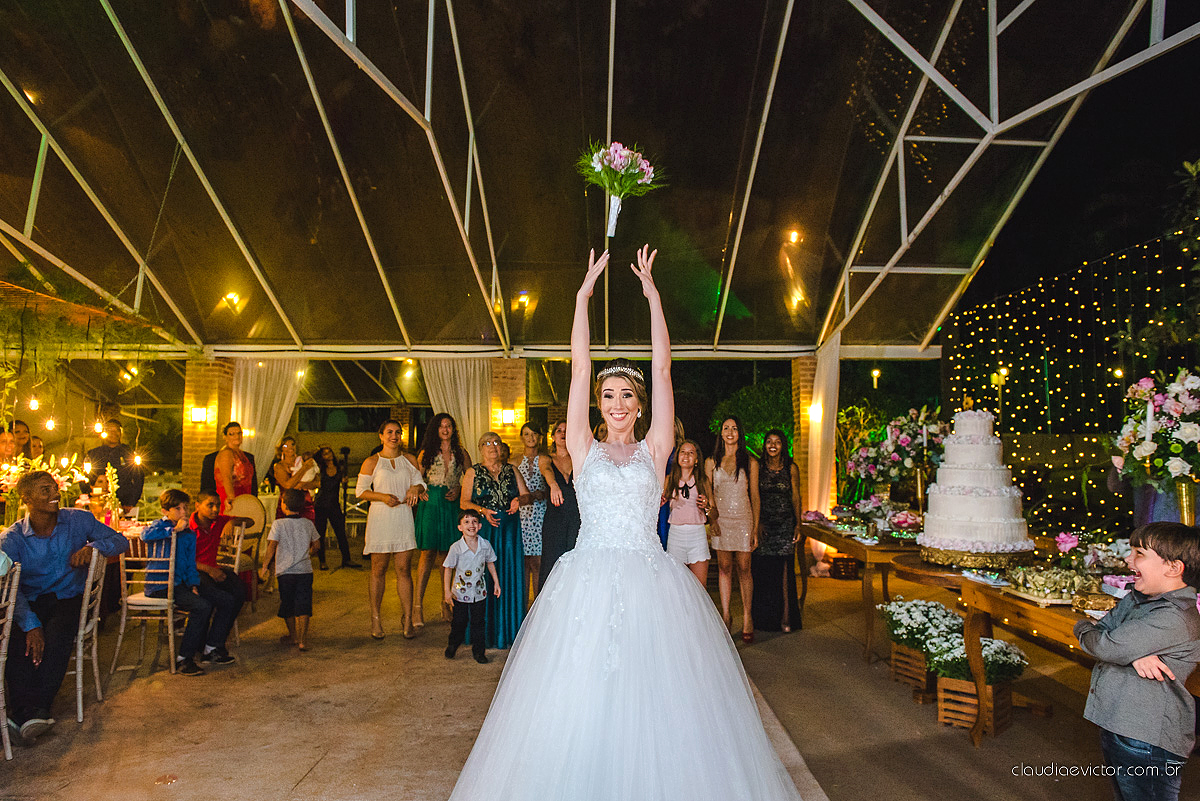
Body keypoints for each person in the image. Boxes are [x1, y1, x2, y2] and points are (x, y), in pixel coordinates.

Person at [446, 246, 802, 801]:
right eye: (608, 396)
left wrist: (655, 298)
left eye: (626, 396)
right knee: (579, 698)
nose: (616, 402)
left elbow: (663, 367)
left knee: (656, 703)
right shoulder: (582, 447)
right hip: (584, 580)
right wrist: (584, 298)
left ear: (639, 406)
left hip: (649, 582)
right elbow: (579, 361)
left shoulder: (655, 449)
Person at [1074, 522, 1200, 801]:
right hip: (1121, 725)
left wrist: (1083, 625)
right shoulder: (1138, 598)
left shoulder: (1174, 618)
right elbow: (1109, 635)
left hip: (1147, 739)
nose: (1128, 560)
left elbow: (1105, 644)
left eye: (1139, 554)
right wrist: (1133, 653)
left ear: (1173, 567)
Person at [1, 471, 129, 744]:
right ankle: (27, 713)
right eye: (45, 490)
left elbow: (121, 540)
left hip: (69, 598)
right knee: (16, 638)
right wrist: (31, 624)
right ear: (26, 499)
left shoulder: (77, 520)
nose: (54, 494)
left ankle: (33, 711)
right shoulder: (12, 538)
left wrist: (94, 546)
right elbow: (11, 588)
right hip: (30, 601)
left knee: (58, 635)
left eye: (55, 488)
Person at [142, 489, 239, 675]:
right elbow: (145, 535)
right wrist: (173, 530)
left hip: (179, 585)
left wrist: (193, 585)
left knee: (214, 602)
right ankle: (183, 659)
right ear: (165, 511)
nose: (183, 512)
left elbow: (188, 564)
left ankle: (208, 649)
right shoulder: (159, 527)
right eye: (177, 509)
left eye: (185, 508)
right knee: (202, 607)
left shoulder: (187, 534)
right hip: (159, 585)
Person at [356, 419, 425, 639]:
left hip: (403, 516)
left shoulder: (409, 460)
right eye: (389, 432)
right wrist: (383, 497)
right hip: (381, 517)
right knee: (378, 569)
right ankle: (375, 619)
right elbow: (361, 491)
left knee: (404, 569)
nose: (394, 436)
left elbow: (421, 483)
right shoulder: (372, 462)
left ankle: (407, 619)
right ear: (381, 435)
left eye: (397, 432)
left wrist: (415, 486)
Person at [460, 431, 527, 649]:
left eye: (496, 442)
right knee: (483, 577)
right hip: (485, 530)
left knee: (508, 575)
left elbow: (527, 494)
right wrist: (482, 510)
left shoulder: (511, 470)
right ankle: (484, 632)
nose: (492, 446)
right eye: (487, 443)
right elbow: (464, 502)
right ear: (480, 448)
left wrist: (519, 499)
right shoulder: (473, 472)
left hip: (509, 530)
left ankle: (509, 630)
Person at [414, 414, 472, 628]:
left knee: (448, 556)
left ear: (453, 429)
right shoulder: (426, 453)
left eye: (448, 426)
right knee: (427, 553)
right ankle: (417, 607)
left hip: (450, 504)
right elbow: (416, 479)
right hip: (431, 504)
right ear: (434, 430)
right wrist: (420, 490)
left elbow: (471, 476)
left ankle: (446, 601)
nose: (445, 430)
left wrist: (459, 488)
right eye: (441, 426)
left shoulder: (461, 452)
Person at [705, 416, 760, 643]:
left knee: (744, 567)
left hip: (743, 518)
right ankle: (726, 615)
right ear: (721, 433)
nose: (730, 432)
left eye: (734, 428)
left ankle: (748, 616)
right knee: (724, 567)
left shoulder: (750, 461)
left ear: (740, 433)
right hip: (721, 519)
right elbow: (708, 496)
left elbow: (755, 496)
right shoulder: (711, 461)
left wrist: (756, 527)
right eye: (726, 428)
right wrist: (712, 520)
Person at [188, 489, 251, 662]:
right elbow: (184, 560)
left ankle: (214, 644)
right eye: (210, 505)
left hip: (213, 569)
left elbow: (250, 521)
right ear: (197, 506)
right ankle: (212, 646)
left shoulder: (218, 521)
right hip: (194, 572)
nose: (215, 509)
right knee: (224, 599)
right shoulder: (187, 526)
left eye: (218, 505)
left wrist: (233, 522)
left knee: (239, 590)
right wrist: (210, 570)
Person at [751, 429, 802, 633]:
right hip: (763, 525)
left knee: (784, 573)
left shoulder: (791, 468)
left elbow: (796, 497)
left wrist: (799, 524)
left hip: (785, 525)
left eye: (777, 442)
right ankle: (765, 620)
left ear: (784, 445)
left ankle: (786, 617)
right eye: (769, 442)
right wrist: (758, 523)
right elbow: (754, 496)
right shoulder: (759, 467)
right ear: (764, 445)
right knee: (764, 572)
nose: (773, 445)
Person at [259, 489, 321, 651]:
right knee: (304, 604)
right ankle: (303, 640)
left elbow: (272, 545)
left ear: (283, 505)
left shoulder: (278, 524)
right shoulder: (308, 523)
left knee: (288, 603)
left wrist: (265, 566)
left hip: (285, 572)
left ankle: (293, 636)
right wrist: (308, 553)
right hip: (305, 571)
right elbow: (317, 545)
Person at [442, 508, 500, 664]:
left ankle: (479, 652)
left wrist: (496, 583)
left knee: (479, 622)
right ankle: (453, 644)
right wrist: (447, 591)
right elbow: (448, 569)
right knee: (459, 622)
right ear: (460, 527)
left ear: (480, 526)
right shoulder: (456, 548)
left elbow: (490, 563)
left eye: (474, 521)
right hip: (460, 594)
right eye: (466, 522)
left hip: (479, 593)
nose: (471, 525)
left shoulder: (485, 545)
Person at [664, 439, 713, 586]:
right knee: (678, 586)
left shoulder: (703, 481)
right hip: (676, 535)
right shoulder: (669, 480)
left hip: (697, 535)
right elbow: (659, 503)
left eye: (691, 453)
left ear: (697, 459)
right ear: (677, 457)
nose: (686, 456)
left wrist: (707, 506)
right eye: (683, 452)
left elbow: (714, 513)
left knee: (699, 587)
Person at [538, 421, 579, 586]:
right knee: (552, 562)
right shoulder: (546, 458)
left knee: (575, 560)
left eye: (567, 431)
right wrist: (553, 484)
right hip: (555, 518)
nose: (563, 434)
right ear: (553, 436)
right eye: (559, 431)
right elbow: (547, 470)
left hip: (577, 517)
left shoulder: (579, 458)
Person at [516, 422, 548, 601]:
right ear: (522, 437)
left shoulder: (545, 460)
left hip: (540, 514)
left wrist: (543, 493)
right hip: (521, 515)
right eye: (527, 434)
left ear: (540, 437)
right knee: (523, 563)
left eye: (534, 434)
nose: (531, 438)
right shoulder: (513, 461)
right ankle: (521, 608)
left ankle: (537, 605)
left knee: (537, 562)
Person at [313, 446, 358, 569]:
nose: (328, 455)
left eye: (329, 452)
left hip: (334, 504)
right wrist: (319, 449)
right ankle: (322, 561)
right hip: (321, 504)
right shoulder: (320, 469)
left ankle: (347, 559)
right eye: (325, 453)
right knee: (321, 534)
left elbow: (341, 484)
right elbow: (314, 458)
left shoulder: (339, 468)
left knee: (340, 532)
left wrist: (344, 481)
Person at [85, 419, 144, 512]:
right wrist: (89, 498)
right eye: (110, 430)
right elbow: (85, 478)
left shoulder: (128, 452)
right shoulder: (93, 454)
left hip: (124, 502)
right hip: (98, 503)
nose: (114, 433)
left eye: (117, 430)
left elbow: (138, 478)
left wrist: (131, 502)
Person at [272, 437, 318, 525]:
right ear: (281, 448)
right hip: (287, 504)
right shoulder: (279, 466)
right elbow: (288, 485)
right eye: (286, 445)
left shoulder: (304, 460)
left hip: (305, 503)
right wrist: (304, 468)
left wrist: (300, 484)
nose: (290, 448)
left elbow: (317, 483)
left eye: (292, 444)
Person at [213, 422, 257, 513]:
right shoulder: (226, 453)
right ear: (225, 437)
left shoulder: (242, 454)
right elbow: (227, 477)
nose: (236, 436)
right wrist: (231, 498)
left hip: (244, 498)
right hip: (231, 499)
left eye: (239, 433)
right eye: (231, 434)